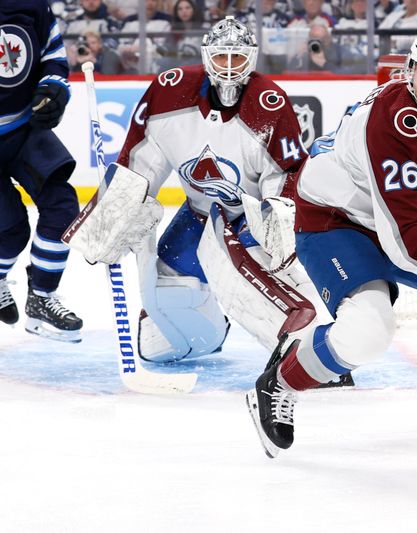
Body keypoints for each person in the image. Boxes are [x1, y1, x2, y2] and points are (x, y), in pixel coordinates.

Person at [246, 21, 417, 458]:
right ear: (410, 69)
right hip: (335, 220)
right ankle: (279, 382)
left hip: (402, 218)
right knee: (369, 331)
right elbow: (407, 239)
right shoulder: (394, 121)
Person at [66, 17, 329, 366]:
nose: (231, 68)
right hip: (198, 215)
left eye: (238, 59)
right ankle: (206, 337)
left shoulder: (269, 104)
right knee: (160, 337)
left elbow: (285, 178)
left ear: (252, 59)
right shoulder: (169, 92)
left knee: (257, 277)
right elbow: (141, 162)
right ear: (207, 57)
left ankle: (315, 353)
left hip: (248, 220)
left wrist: (272, 231)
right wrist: (112, 217)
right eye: (223, 58)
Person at [0, 0, 83, 341]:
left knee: (63, 208)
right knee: (11, 230)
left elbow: (52, 53)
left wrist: (55, 89)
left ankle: (42, 297)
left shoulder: (31, 3)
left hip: (24, 128)